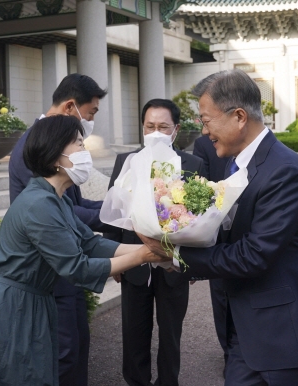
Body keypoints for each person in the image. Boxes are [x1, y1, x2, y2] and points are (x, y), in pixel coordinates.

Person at [139, 70, 298, 386]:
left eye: (207, 119)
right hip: (250, 328)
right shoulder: (236, 163)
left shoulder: (283, 170)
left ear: (239, 117)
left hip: (292, 335)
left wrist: (177, 256)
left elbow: (254, 254)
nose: (203, 129)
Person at [0, 115, 169, 385]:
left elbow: (90, 243)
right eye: (79, 145)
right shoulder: (39, 205)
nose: (85, 152)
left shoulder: (56, 198)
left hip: (29, 302)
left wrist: (149, 247)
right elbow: (77, 268)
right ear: (56, 156)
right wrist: (144, 255)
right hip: (7, 308)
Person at [8, 73, 113, 386]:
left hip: (67, 257)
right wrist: (120, 219)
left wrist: (120, 208)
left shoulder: (57, 144)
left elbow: (72, 206)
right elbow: (60, 215)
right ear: (71, 107)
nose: (86, 135)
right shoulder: (36, 146)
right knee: (63, 351)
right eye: (90, 113)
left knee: (77, 343)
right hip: (51, 264)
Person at [105, 99, 205, 386]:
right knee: (134, 333)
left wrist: (194, 264)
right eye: (150, 126)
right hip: (134, 262)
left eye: (163, 126)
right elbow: (112, 213)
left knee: (171, 336)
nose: (156, 132)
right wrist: (113, 259)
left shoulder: (193, 163)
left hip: (174, 266)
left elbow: (202, 214)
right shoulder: (127, 161)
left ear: (175, 130)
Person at [192, 135, 231, 374]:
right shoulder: (204, 144)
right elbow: (201, 185)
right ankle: (229, 351)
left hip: (250, 224)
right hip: (217, 227)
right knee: (221, 296)